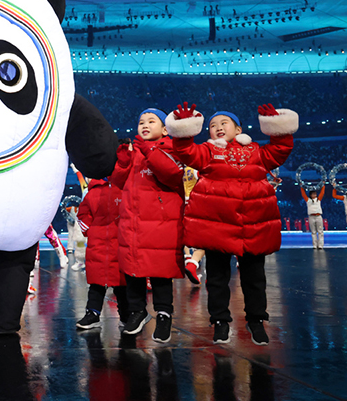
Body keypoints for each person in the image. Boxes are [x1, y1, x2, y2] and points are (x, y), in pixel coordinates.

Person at [166, 103, 297, 345]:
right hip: (217, 225)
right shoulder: (206, 152)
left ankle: (256, 320)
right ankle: (220, 321)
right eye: (212, 125)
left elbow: (281, 149)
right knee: (217, 278)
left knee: (255, 278)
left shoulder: (257, 152)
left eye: (223, 123)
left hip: (253, 224)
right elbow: (185, 152)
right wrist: (184, 131)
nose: (217, 128)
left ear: (238, 129)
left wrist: (278, 128)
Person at [111, 109, 185, 343]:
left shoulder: (171, 147)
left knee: (160, 271)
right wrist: (123, 163)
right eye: (141, 121)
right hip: (133, 222)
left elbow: (172, 173)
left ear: (165, 129)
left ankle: (164, 315)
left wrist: (149, 150)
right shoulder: (136, 153)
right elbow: (118, 183)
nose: (144, 124)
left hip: (160, 223)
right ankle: (137, 312)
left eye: (151, 121)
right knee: (133, 269)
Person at [74, 177, 128, 330]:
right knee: (97, 282)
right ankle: (93, 313)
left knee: (120, 283)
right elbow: (83, 214)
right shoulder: (93, 192)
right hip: (99, 245)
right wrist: (90, 231)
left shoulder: (124, 189)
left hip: (119, 243)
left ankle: (125, 315)